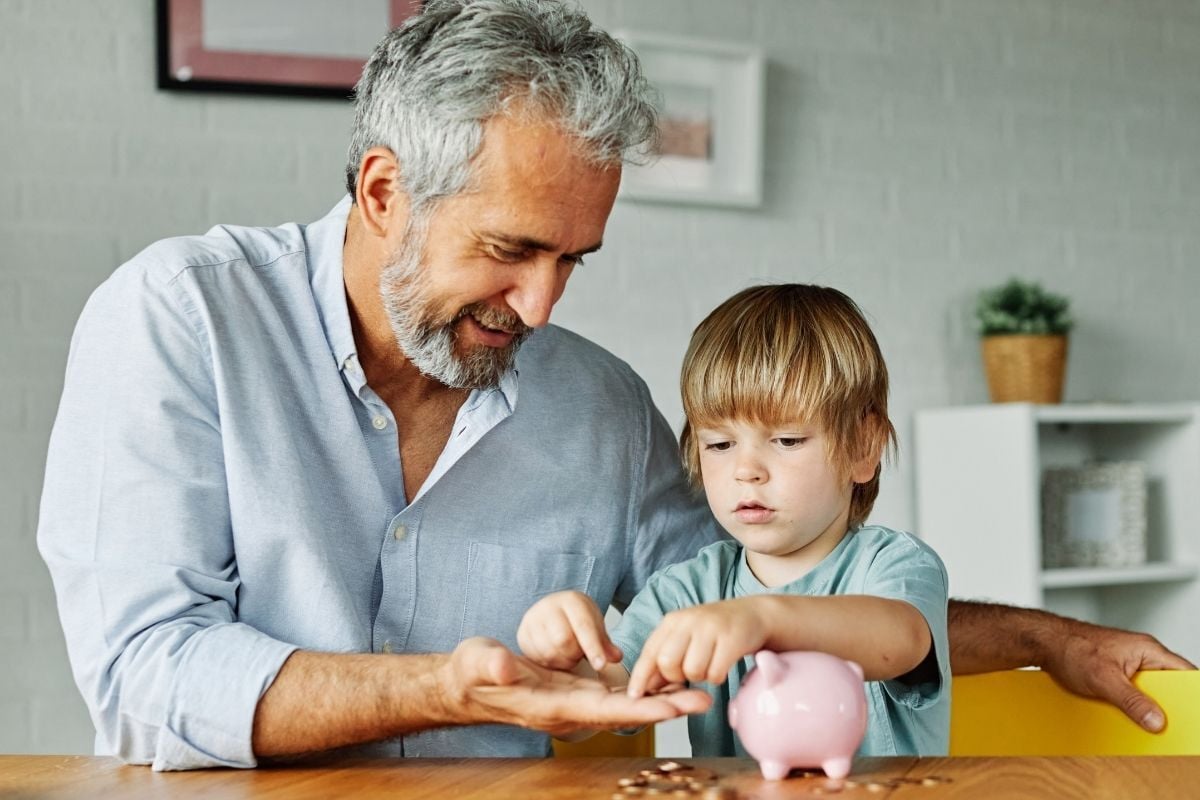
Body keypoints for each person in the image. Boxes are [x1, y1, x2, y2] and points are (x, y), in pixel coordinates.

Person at [35, 0, 1191, 774]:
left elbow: (769, 594)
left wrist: (1046, 636)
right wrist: (450, 688)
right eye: (511, 248)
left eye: (572, 259)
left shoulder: (595, 402)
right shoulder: (181, 319)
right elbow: (148, 673)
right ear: (386, 190)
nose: (541, 307)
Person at [519, 284, 950, 760]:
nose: (746, 470)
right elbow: (606, 700)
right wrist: (567, 662)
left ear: (862, 448)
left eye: (786, 440)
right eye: (720, 445)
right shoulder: (685, 591)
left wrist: (763, 618)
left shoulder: (893, 565)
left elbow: (901, 640)